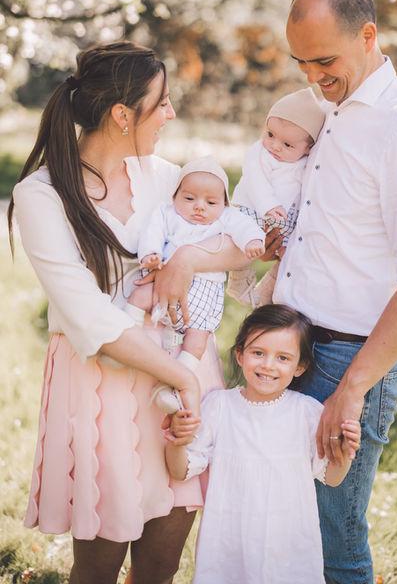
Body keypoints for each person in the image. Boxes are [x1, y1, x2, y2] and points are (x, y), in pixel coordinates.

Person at [8, 40, 250, 584]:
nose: (171, 113)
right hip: (105, 383)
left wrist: (189, 258)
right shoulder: (41, 195)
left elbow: (240, 242)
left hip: (182, 368)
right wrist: (181, 379)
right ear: (123, 115)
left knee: (162, 562)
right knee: (98, 565)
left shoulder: (165, 178)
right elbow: (88, 316)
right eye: (161, 103)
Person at [269, 0, 397, 584]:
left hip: (349, 361)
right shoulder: (332, 108)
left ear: (368, 35)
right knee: (286, 529)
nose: (312, 77)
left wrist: (352, 389)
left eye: (325, 61)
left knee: (336, 542)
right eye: (301, 62)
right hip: (293, 346)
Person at [164, 305, 361, 584]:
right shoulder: (219, 406)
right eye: (258, 353)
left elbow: (331, 477)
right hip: (229, 545)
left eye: (283, 358)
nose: (268, 365)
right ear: (240, 354)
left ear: (300, 366)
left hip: (287, 548)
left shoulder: (307, 413)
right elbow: (181, 470)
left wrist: (345, 451)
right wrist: (178, 441)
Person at [126, 155, 265, 413]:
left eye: (210, 202)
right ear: (175, 196)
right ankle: (127, 338)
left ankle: (177, 382)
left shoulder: (226, 218)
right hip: (166, 279)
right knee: (139, 297)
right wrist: (151, 254)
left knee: (197, 340)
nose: (199, 207)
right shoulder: (167, 213)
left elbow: (245, 227)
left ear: (224, 203)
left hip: (204, 291)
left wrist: (252, 240)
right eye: (189, 199)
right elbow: (152, 232)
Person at [226, 87, 325, 306]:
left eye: (287, 144)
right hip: (254, 209)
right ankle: (238, 281)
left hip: (285, 218)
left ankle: (269, 292)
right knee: (245, 240)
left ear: (308, 148)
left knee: (290, 256)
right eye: (270, 134)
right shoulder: (260, 153)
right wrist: (268, 205)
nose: (275, 146)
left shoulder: (305, 164)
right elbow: (255, 180)